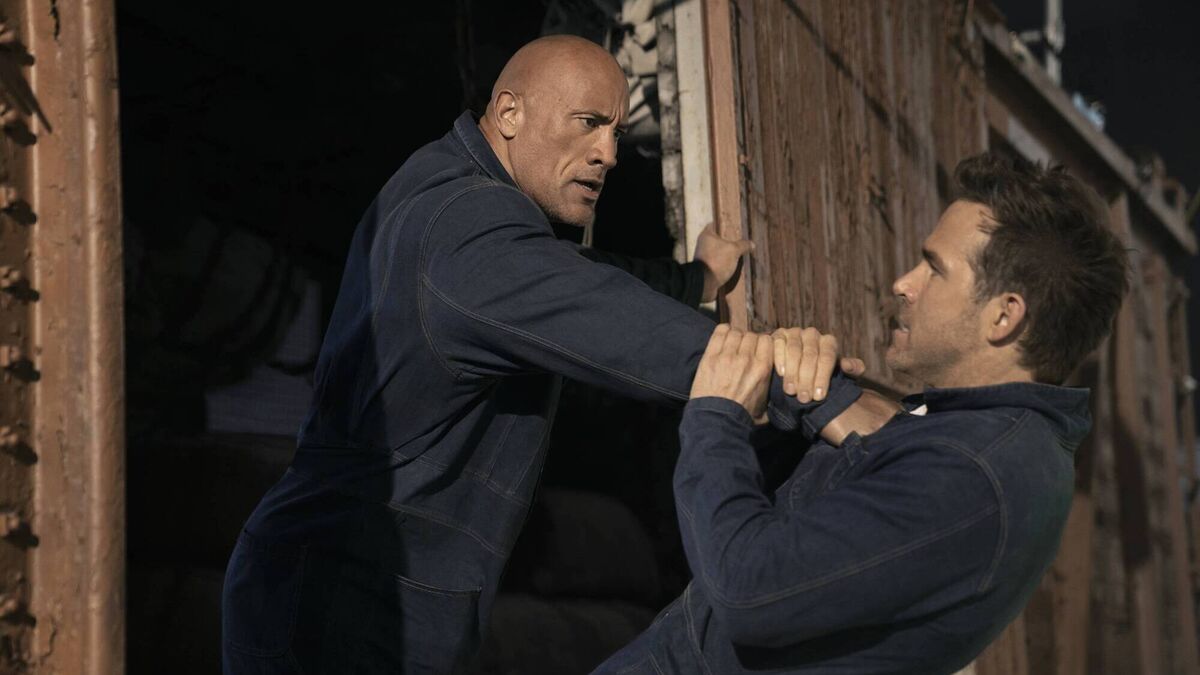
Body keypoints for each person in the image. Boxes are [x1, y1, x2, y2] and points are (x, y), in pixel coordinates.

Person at [220, 34, 856, 673]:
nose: (608, 153)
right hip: (346, 605)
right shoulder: (466, 228)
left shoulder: (448, 185)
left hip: (344, 587)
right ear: (509, 113)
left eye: (615, 132)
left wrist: (694, 280)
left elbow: (572, 276)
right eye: (588, 123)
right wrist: (817, 393)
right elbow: (619, 324)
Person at [594, 152, 1130, 675]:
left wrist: (718, 413)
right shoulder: (986, 437)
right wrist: (805, 394)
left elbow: (748, 591)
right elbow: (825, 536)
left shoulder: (970, 472)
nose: (904, 283)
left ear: (1004, 315)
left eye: (934, 269)